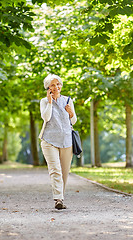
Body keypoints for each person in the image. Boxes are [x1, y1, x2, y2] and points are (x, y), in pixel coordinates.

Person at [39, 74, 77, 210]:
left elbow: (73, 121)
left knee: (64, 172)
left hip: (66, 140)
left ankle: (61, 196)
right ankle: (58, 199)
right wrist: (50, 102)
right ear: (48, 88)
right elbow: (46, 117)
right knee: (55, 170)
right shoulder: (44, 101)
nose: (56, 87)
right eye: (53, 85)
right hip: (49, 141)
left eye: (58, 84)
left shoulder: (68, 100)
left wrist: (71, 113)